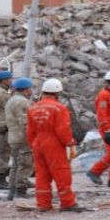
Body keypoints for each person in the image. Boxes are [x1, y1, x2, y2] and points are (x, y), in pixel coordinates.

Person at [27, 78, 84, 212]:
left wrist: (34, 145)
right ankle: (67, 203)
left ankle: (43, 204)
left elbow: (30, 131)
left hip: (37, 143)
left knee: (42, 175)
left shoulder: (33, 108)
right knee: (61, 173)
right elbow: (62, 130)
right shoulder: (59, 108)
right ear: (57, 93)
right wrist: (70, 143)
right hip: (53, 143)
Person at [5, 77, 34, 196]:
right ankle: (21, 189)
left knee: (16, 164)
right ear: (26, 89)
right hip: (22, 137)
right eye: (31, 88)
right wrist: (31, 137)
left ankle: (11, 190)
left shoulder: (12, 100)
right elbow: (25, 122)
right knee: (26, 164)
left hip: (13, 137)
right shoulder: (22, 101)